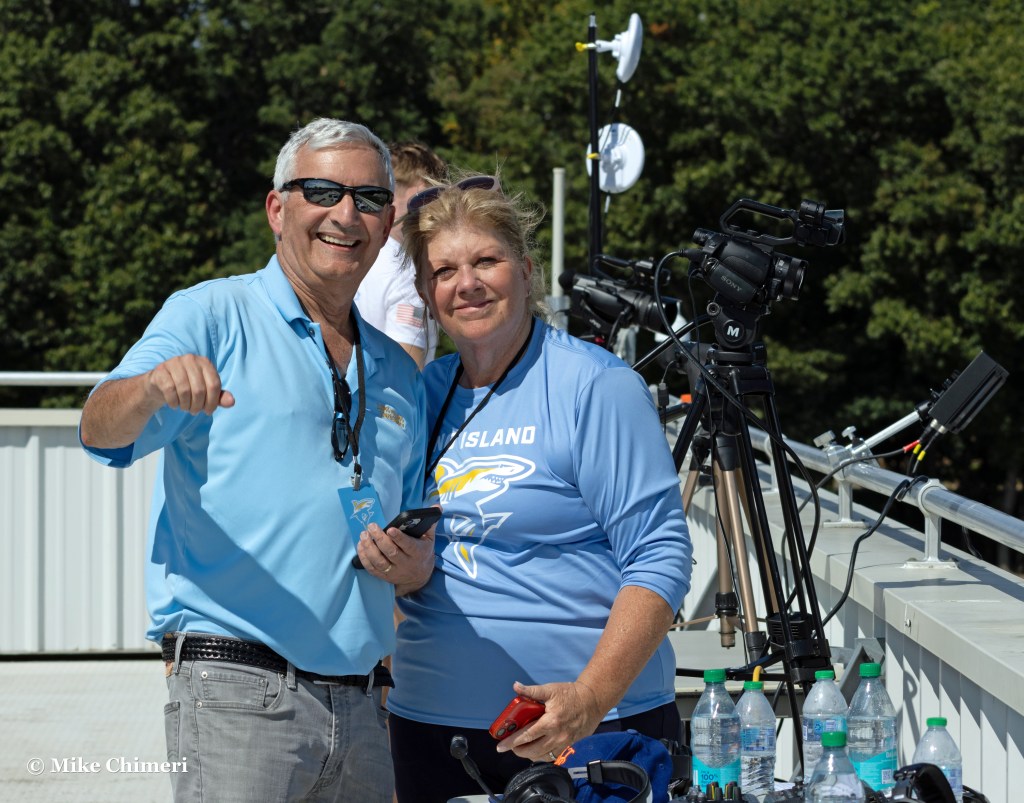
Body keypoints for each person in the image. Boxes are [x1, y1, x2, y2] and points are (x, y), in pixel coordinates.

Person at [78, 118, 436, 803]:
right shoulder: (212, 313)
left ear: (388, 222)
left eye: (368, 198)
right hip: (239, 692)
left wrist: (415, 566)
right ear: (277, 208)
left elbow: (416, 543)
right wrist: (150, 387)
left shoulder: (398, 371)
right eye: (322, 191)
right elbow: (100, 431)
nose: (345, 214)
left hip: (365, 706)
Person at [386, 174, 693, 802]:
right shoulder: (420, 396)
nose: (466, 283)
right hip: (432, 732)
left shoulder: (595, 386)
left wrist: (589, 698)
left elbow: (660, 555)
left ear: (527, 272)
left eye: (486, 261)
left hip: (588, 732)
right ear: (425, 292)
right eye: (444, 271)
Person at [355, 141, 445, 368]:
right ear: (422, 192)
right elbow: (406, 371)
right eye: (437, 196)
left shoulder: (352, 255)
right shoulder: (406, 274)